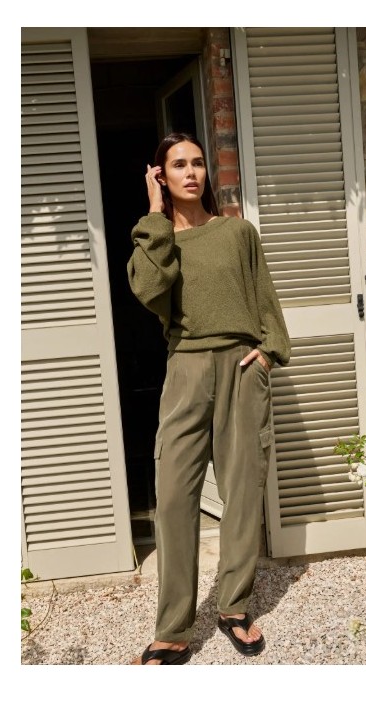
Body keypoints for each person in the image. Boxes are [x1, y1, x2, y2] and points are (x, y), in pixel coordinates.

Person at [127, 132, 290, 665]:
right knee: (175, 497)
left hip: (241, 367)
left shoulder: (237, 232)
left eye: (197, 162)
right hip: (187, 369)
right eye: (178, 165)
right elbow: (148, 290)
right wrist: (155, 214)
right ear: (161, 176)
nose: (192, 172)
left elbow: (265, 298)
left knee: (242, 492)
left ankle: (233, 608)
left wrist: (268, 352)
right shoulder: (157, 241)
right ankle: (173, 628)